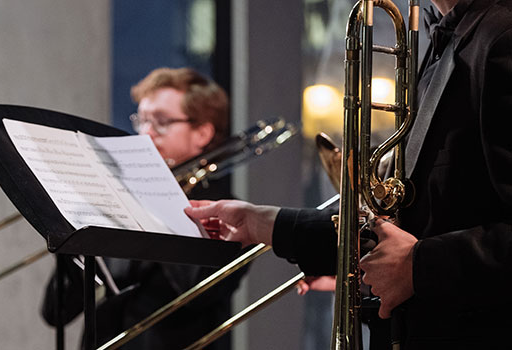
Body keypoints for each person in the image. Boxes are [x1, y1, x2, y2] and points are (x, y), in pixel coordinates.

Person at [186, 0, 512, 348]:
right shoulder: (445, 38)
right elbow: (398, 225)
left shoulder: (502, 35)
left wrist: (420, 266)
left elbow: (413, 254)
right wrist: (260, 223)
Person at [41, 67, 246, 350]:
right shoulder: (121, 199)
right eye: (142, 121)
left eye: (161, 122)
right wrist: (72, 228)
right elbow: (57, 311)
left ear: (202, 133)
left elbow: (196, 296)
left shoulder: (230, 215)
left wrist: (158, 203)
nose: (145, 133)